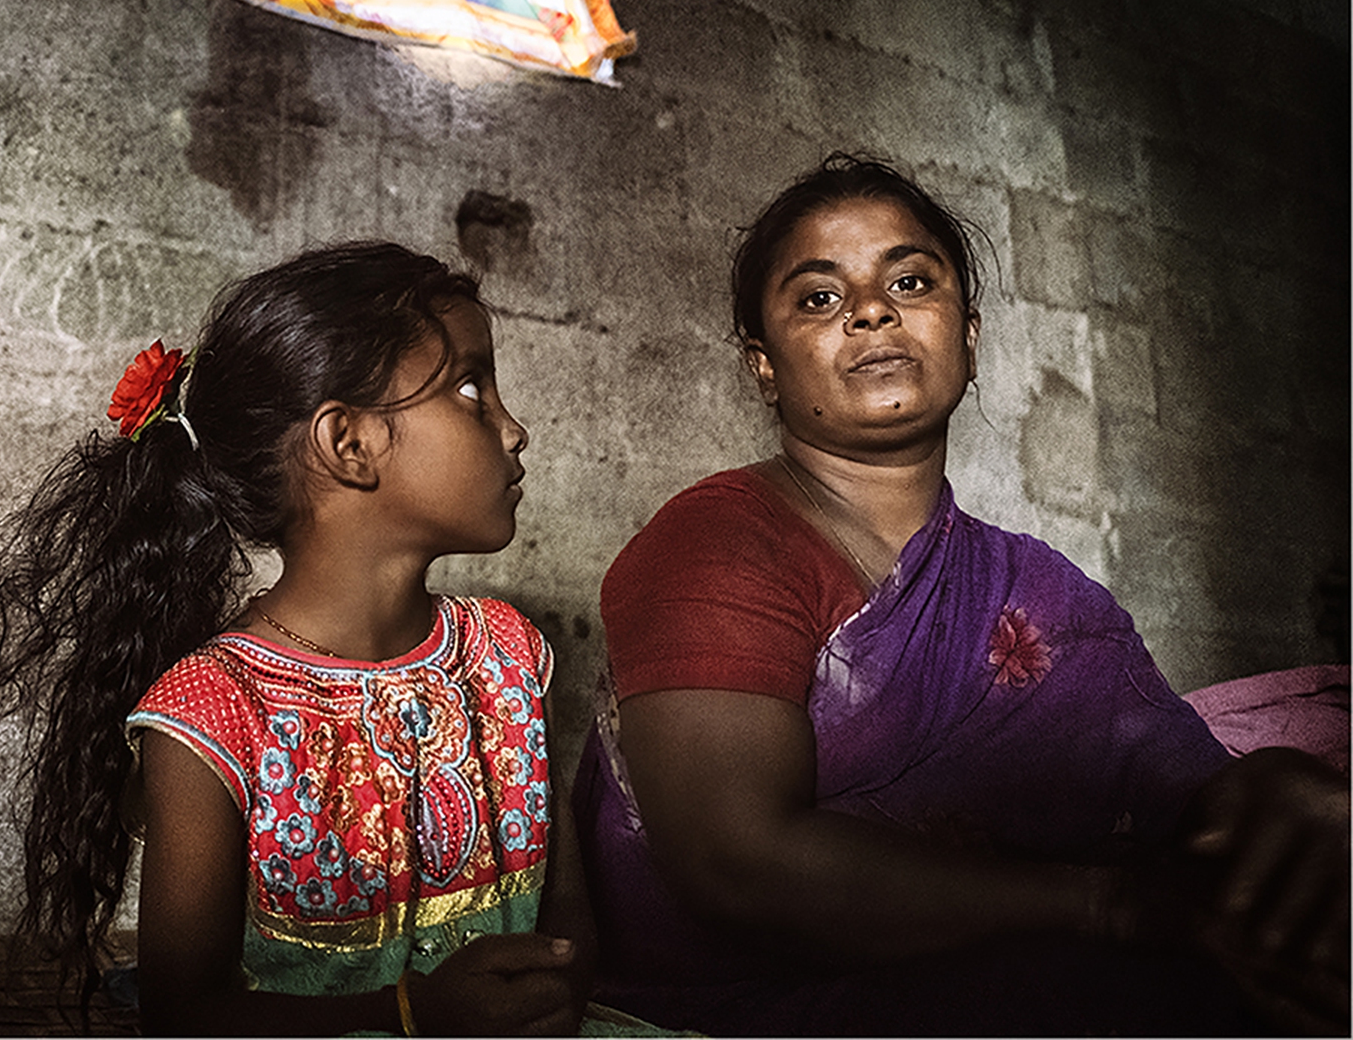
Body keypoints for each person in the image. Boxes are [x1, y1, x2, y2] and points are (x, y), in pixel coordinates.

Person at [576, 153, 1350, 1035]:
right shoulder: (716, 541)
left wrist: (1272, 796)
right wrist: (1109, 907)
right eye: (820, 298)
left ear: (968, 336)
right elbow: (737, 862)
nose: (873, 309)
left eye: (910, 279)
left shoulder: (1044, 593)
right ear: (765, 366)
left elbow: (1183, 797)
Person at [0, 241, 599, 1035]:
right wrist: (414, 1013)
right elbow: (185, 1015)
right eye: (472, 388)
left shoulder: (507, 653)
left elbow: (570, 921)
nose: (515, 428)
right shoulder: (213, 711)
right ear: (349, 444)